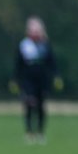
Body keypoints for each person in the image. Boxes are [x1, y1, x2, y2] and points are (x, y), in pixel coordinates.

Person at [13, 16, 60, 144]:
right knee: (29, 104)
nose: (34, 32)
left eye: (36, 30)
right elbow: (18, 63)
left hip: (42, 80)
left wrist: (56, 77)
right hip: (28, 80)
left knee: (40, 107)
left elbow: (51, 62)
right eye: (31, 30)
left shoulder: (45, 45)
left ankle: (40, 132)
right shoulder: (24, 45)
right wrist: (15, 80)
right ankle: (29, 132)